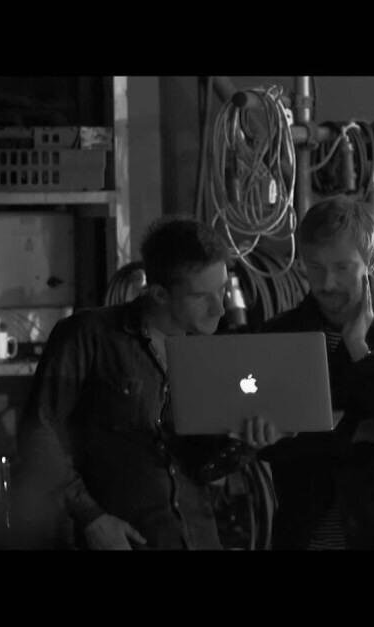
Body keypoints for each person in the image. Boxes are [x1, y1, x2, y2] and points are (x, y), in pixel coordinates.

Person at [17, 216, 283, 550]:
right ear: (158, 293)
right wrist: (92, 518)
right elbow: (38, 432)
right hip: (126, 540)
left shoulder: (206, 353)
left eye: (222, 290)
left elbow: (196, 466)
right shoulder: (90, 336)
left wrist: (245, 442)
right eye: (202, 296)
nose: (219, 308)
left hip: (195, 538)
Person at [257, 197, 374, 550]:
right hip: (303, 535)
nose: (327, 283)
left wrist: (359, 348)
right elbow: (273, 446)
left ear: (371, 260)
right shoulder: (279, 333)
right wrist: (354, 431)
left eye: (342, 267)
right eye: (315, 267)